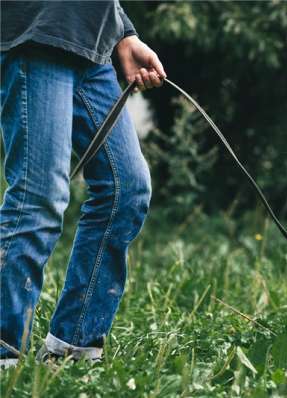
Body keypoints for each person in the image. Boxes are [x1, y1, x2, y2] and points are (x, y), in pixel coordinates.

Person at [0, 1, 165, 367]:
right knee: (38, 198)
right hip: (37, 32)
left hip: (92, 47)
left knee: (127, 188)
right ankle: (4, 351)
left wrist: (123, 33)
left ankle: (71, 347)